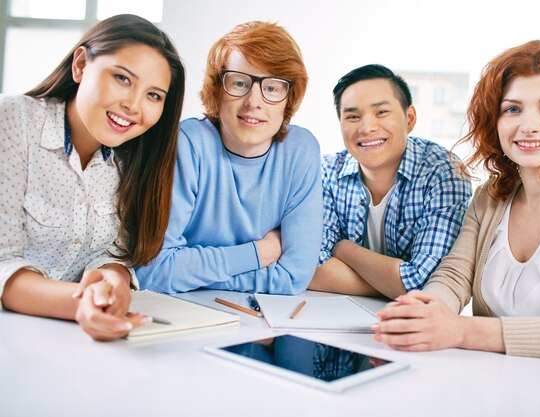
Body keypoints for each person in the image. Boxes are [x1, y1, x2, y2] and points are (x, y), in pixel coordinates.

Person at [374, 40, 540, 364]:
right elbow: (454, 276)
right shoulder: (491, 196)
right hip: (492, 387)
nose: (528, 125)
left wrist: (462, 331)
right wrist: (420, 316)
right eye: (512, 109)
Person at [0, 14, 185, 341]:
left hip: (76, 344)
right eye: (123, 79)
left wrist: (114, 283)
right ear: (81, 65)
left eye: (153, 95)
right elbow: (3, 263)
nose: (133, 105)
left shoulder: (135, 160)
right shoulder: (14, 120)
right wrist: (83, 304)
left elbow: (114, 254)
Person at [136, 21, 322, 294]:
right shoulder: (187, 144)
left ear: (288, 98)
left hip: (266, 318)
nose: (253, 102)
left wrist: (192, 273)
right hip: (187, 313)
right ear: (217, 90)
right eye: (239, 83)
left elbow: (293, 278)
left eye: (272, 88)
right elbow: (152, 270)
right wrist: (260, 253)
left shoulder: (301, 150)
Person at [308, 64, 472, 299]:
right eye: (353, 116)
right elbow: (309, 267)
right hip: (335, 318)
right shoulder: (326, 172)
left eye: (381, 112)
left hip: (411, 328)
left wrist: (343, 248)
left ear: (409, 118)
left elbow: (427, 282)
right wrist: (392, 286)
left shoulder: (444, 172)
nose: (367, 127)